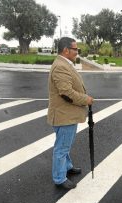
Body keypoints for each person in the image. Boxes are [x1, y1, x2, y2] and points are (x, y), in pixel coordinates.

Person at [47, 37, 94, 189]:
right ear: (66, 50)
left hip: (66, 114)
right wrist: (85, 99)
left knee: (64, 145)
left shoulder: (64, 63)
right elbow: (66, 93)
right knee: (61, 148)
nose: (77, 52)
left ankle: (67, 167)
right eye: (75, 49)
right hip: (64, 115)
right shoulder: (61, 66)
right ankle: (59, 178)